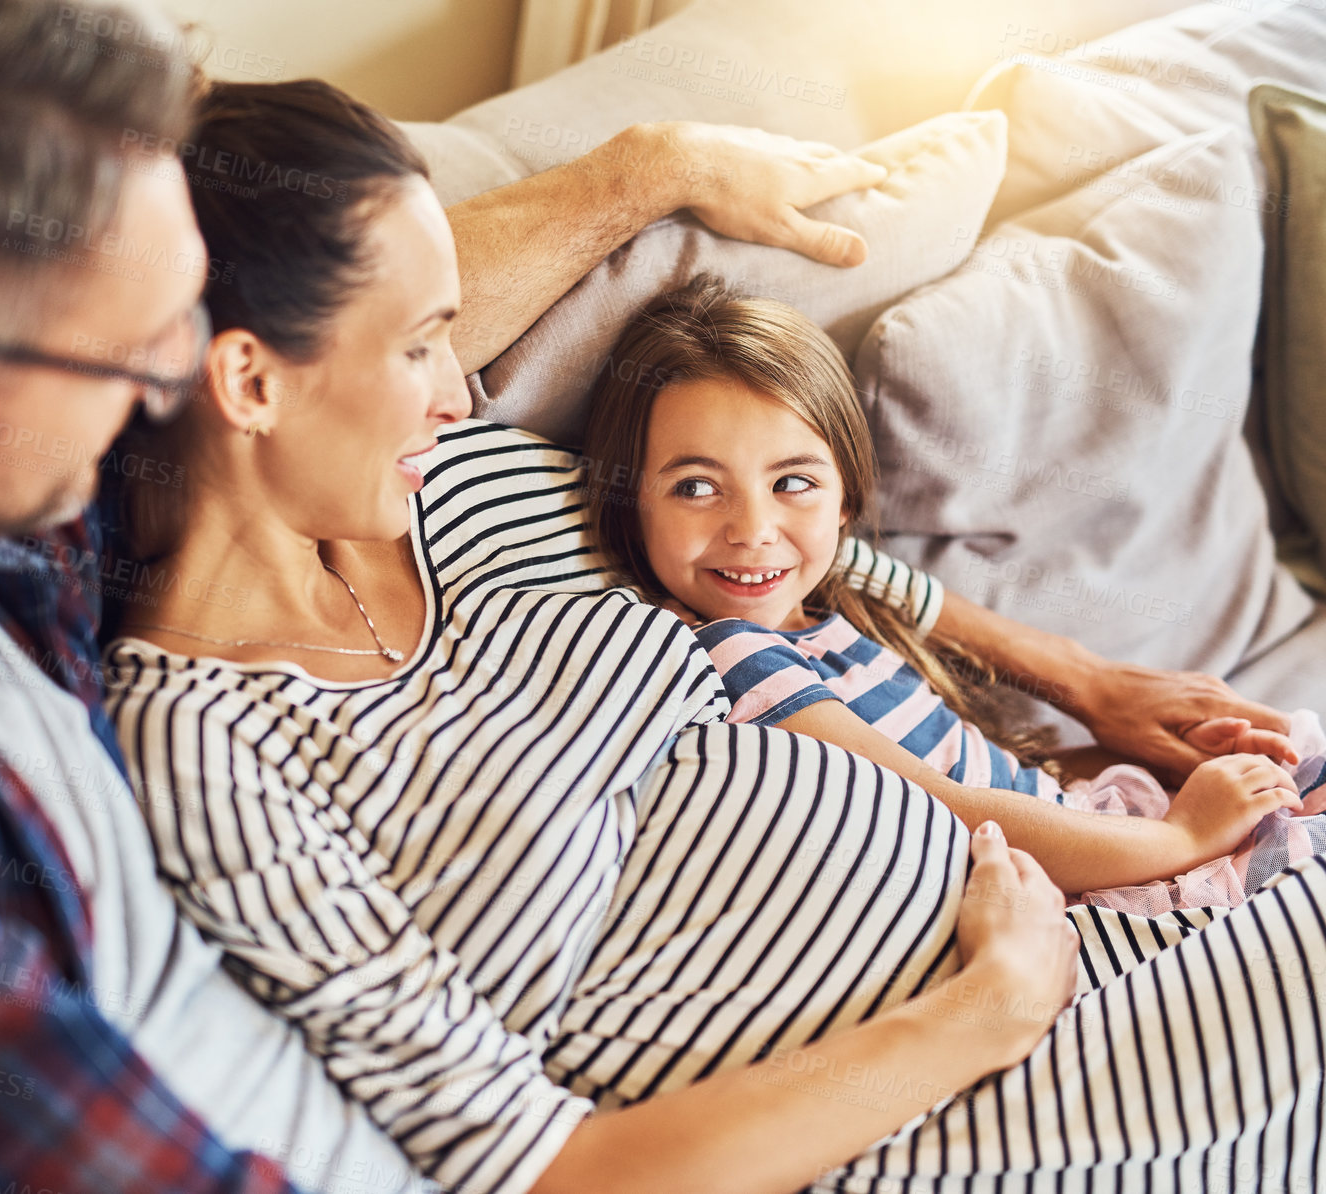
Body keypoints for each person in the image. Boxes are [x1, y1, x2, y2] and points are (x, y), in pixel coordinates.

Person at [0, 4, 1088, 1194]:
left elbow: (312, 353)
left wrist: (639, 172)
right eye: (144, 346)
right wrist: (983, 1015)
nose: (184, 385)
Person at [104, 78, 1326, 1194]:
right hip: (995, 1098)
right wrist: (991, 1008)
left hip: (1138, 928)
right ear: (251, 385)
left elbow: (772, 543)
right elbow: (545, 1176)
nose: (457, 381)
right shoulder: (205, 749)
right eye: (422, 346)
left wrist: (1081, 678)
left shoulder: (451, 485)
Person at [578, 277, 1326, 914]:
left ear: (844, 500)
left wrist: (1172, 778)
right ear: (628, 500)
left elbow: (998, 778)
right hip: (1085, 891)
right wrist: (1184, 837)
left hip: (1102, 825)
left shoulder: (836, 619)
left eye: (794, 482)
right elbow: (945, 812)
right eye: (696, 487)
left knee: (1305, 758)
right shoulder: (736, 653)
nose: (753, 530)